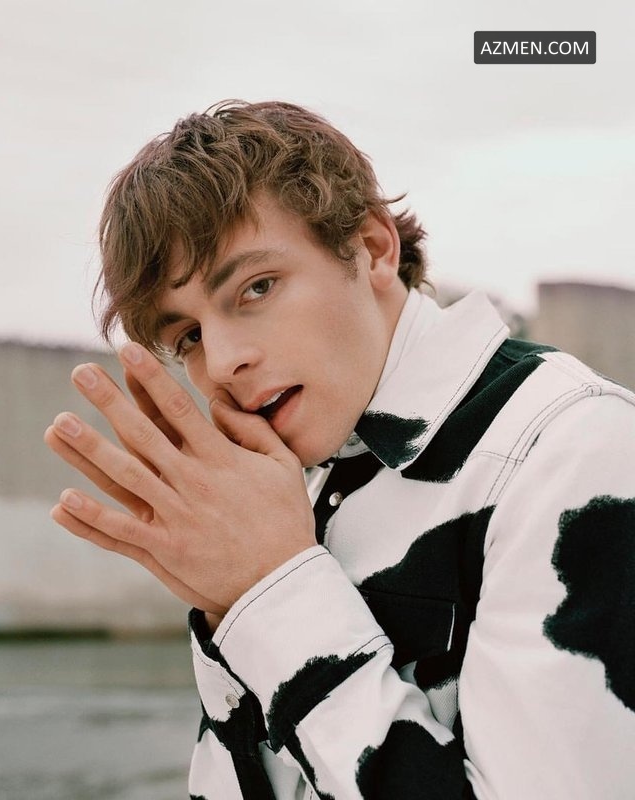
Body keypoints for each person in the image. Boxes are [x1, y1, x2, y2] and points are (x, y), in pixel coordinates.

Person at [44, 101, 635, 800]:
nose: (224, 361)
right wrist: (234, 600)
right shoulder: (292, 470)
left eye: (256, 288)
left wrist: (272, 590)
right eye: (189, 337)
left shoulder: (570, 445)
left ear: (374, 248)